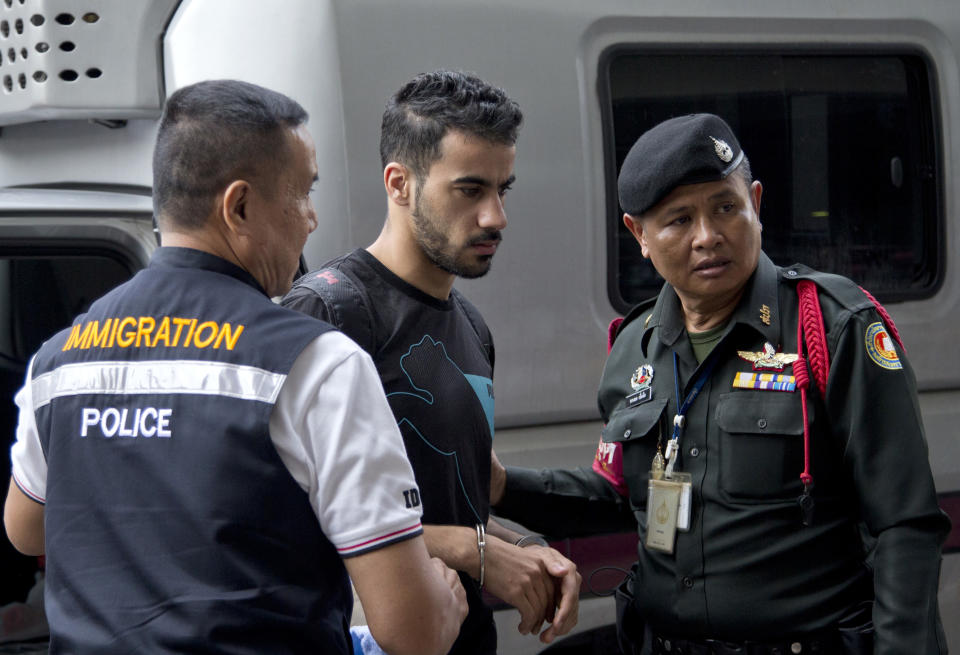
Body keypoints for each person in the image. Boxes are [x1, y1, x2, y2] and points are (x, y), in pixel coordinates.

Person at [2, 79, 467, 655]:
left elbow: (24, 530)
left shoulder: (57, 359)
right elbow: (411, 632)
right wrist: (444, 601)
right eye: (302, 194)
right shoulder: (318, 363)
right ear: (239, 206)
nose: (312, 220)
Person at [490, 113, 950, 654]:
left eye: (726, 208)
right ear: (639, 234)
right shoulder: (634, 346)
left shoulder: (831, 327)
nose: (708, 237)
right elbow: (620, 494)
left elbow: (904, 525)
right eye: (679, 219)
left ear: (755, 202)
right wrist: (501, 485)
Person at [281, 70, 581, 653]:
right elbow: (293, 519)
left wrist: (525, 549)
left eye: (503, 190)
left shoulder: (471, 325)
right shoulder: (328, 311)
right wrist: (476, 550)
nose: (496, 217)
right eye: (470, 190)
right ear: (399, 183)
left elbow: (455, 505)